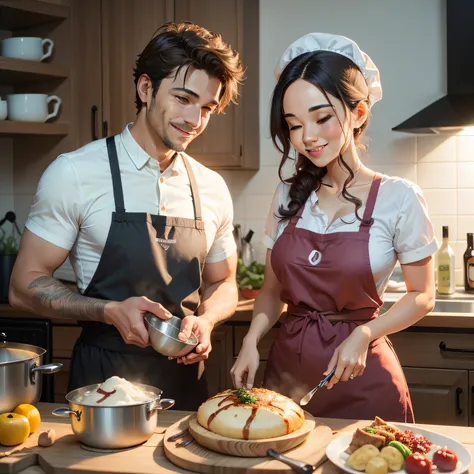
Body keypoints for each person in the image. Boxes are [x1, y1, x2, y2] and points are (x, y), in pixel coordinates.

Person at [9, 22, 244, 411]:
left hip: (185, 386)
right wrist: (106, 310)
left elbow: (225, 283)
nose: (194, 119)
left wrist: (207, 320)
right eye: (183, 98)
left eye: (206, 108)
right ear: (146, 88)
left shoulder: (211, 186)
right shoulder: (75, 173)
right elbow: (23, 285)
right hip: (101, 388)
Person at [230, 33, 437, 422]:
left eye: (322, 117)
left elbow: (423, 296)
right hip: (285, 376)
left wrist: (364, 333)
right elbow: (272, 292)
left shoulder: (398, 197)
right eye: (293, 124)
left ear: (358, 114)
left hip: (363, 379)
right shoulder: (287, 195)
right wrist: (251, 341)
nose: (306, 137)